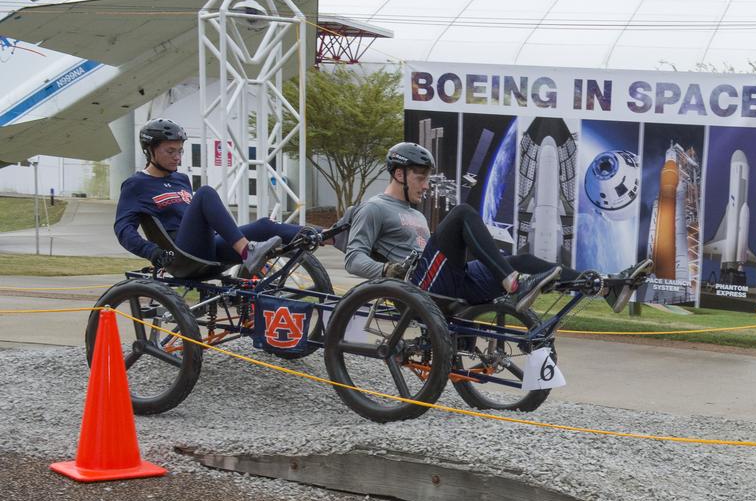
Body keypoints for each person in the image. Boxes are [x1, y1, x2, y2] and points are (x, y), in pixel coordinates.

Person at [344, 142, 652, 313]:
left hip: (448, 280)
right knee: (463, 213)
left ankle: (604, 287)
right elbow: (353, 259)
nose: (426, 185)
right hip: (418, 284)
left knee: (523, 260)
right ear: (398, 173)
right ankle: (512, 284)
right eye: (420, 177)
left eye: (427, 178)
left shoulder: (418, 216)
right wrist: (387, 271)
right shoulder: (375, 208)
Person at [113, 118, 312, 276]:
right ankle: (247, 252)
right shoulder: (136, 185)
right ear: (150, 150)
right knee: (205, 193)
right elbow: (123, 230)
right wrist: (151, 251)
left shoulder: (181, 179)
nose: (178, 157)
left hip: (207, 245)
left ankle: (332, 235)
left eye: (180, 151)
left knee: (264, 225)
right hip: (181, 255)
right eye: (170, 151)